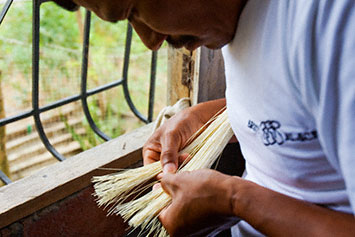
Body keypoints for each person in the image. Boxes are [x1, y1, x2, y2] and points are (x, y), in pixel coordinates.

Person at [53, 0, 355, 236]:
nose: (150, 41)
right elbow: (302, 109)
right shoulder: (233, 18)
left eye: (134, 10)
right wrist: (207, 116)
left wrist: (235, 200)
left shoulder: (334, 22)